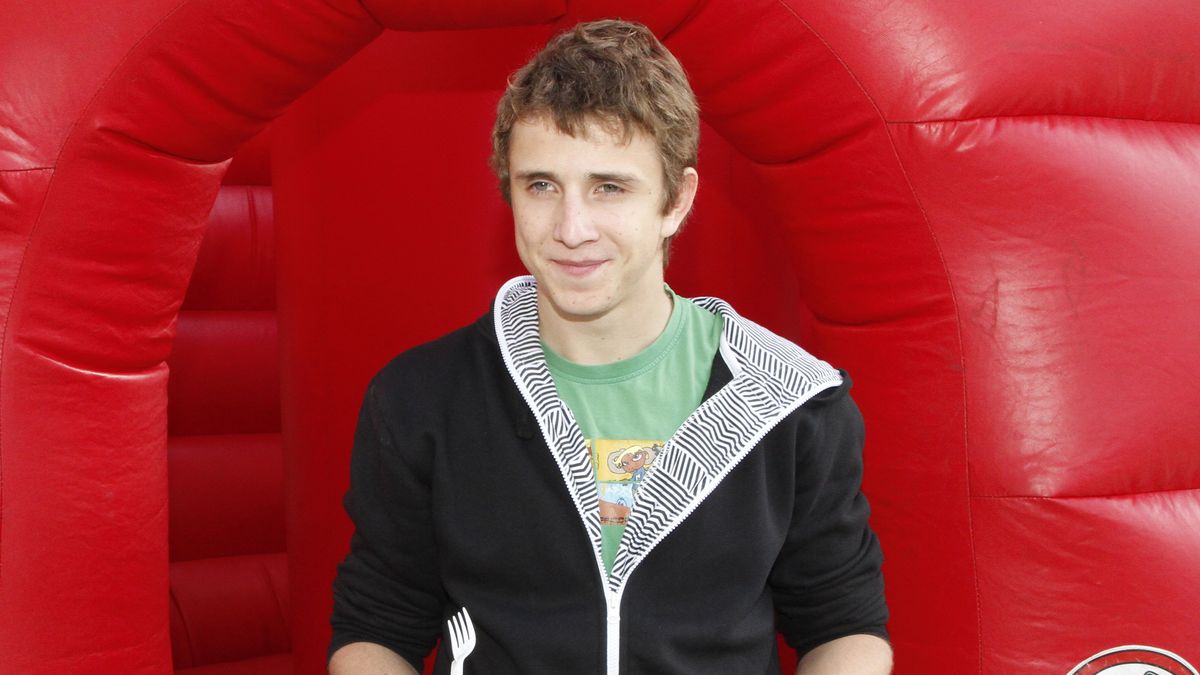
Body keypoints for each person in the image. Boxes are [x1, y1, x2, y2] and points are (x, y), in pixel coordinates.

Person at [328, 18, 891, 675]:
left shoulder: (791, 400)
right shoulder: (423, 398)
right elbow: (376, 629)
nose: (571, 228)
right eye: (541, 185)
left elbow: (844, 626)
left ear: (676, 200)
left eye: (610, 187)